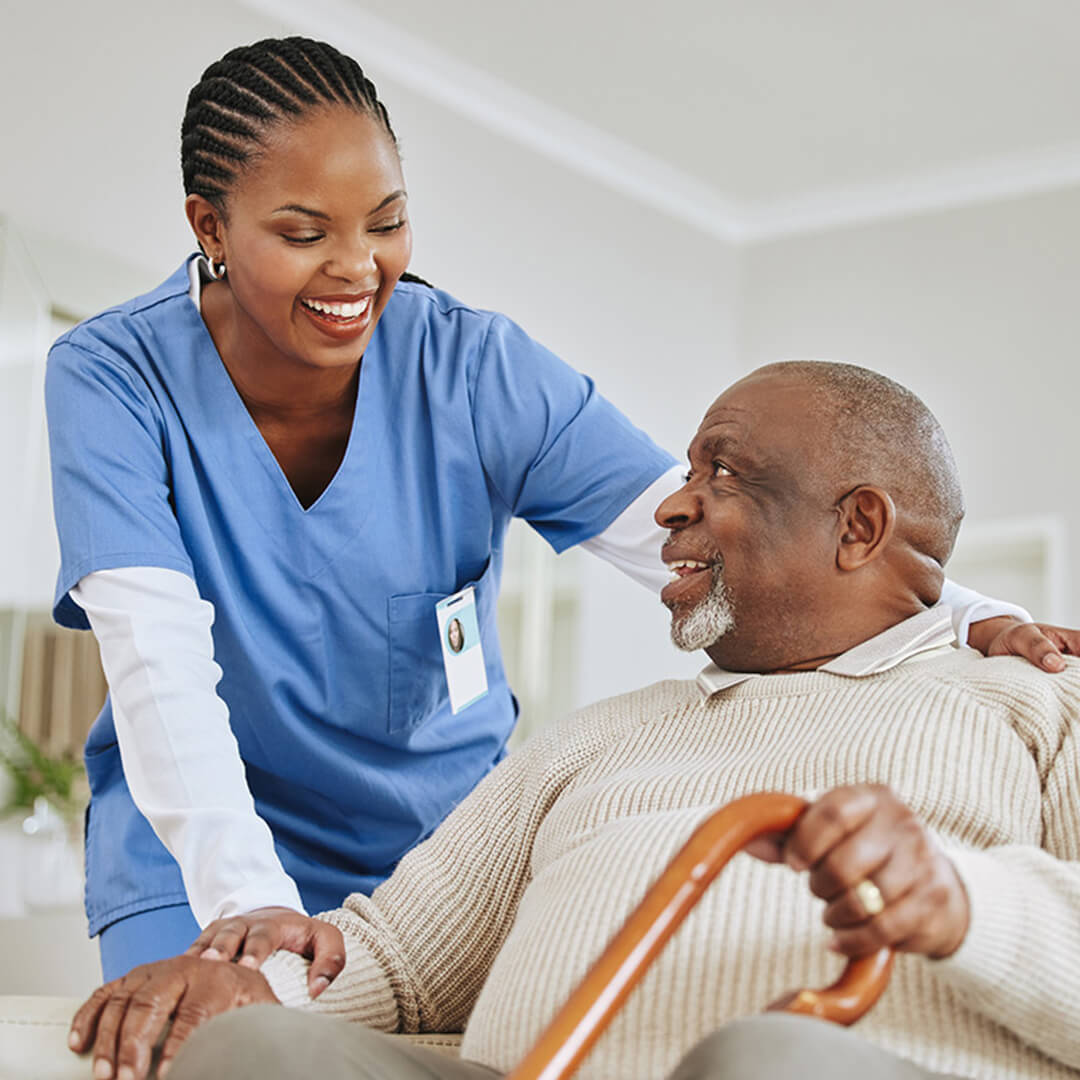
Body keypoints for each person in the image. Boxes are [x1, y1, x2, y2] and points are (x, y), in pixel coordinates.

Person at [45, 35, 1064, 981]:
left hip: (439, 856)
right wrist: (249, 903)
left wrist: (961, 615)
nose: (358, 269)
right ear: (209, 226)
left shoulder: (473, 369)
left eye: (388, 223)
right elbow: (158, 660)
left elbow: (710, 528)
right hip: (199, 844)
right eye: (305, 233)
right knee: (207, 1040)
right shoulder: (114, 378)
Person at [70, 362, 1080, 1080]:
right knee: (249, 1053)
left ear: (858, 527)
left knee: (774, 1061)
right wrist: (242, 990)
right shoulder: (597, 736)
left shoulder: (1034, 702)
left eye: (720, 474)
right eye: (685, 474)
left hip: (838, 1062)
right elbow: (398, 961)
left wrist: (967, 903)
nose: (670, 509)